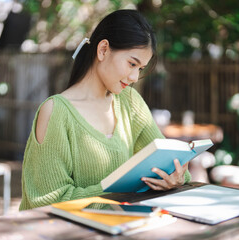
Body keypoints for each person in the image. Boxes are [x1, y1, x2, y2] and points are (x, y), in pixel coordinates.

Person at [19, 9, 191, 211]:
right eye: (132, 63)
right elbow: (50, 201)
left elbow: (168, 160)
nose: (135, 77)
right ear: (103, 50)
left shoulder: (129, 101)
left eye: (140, 68)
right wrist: (121, 191)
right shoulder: (56, 112)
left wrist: (175, 177)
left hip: (120, 228)